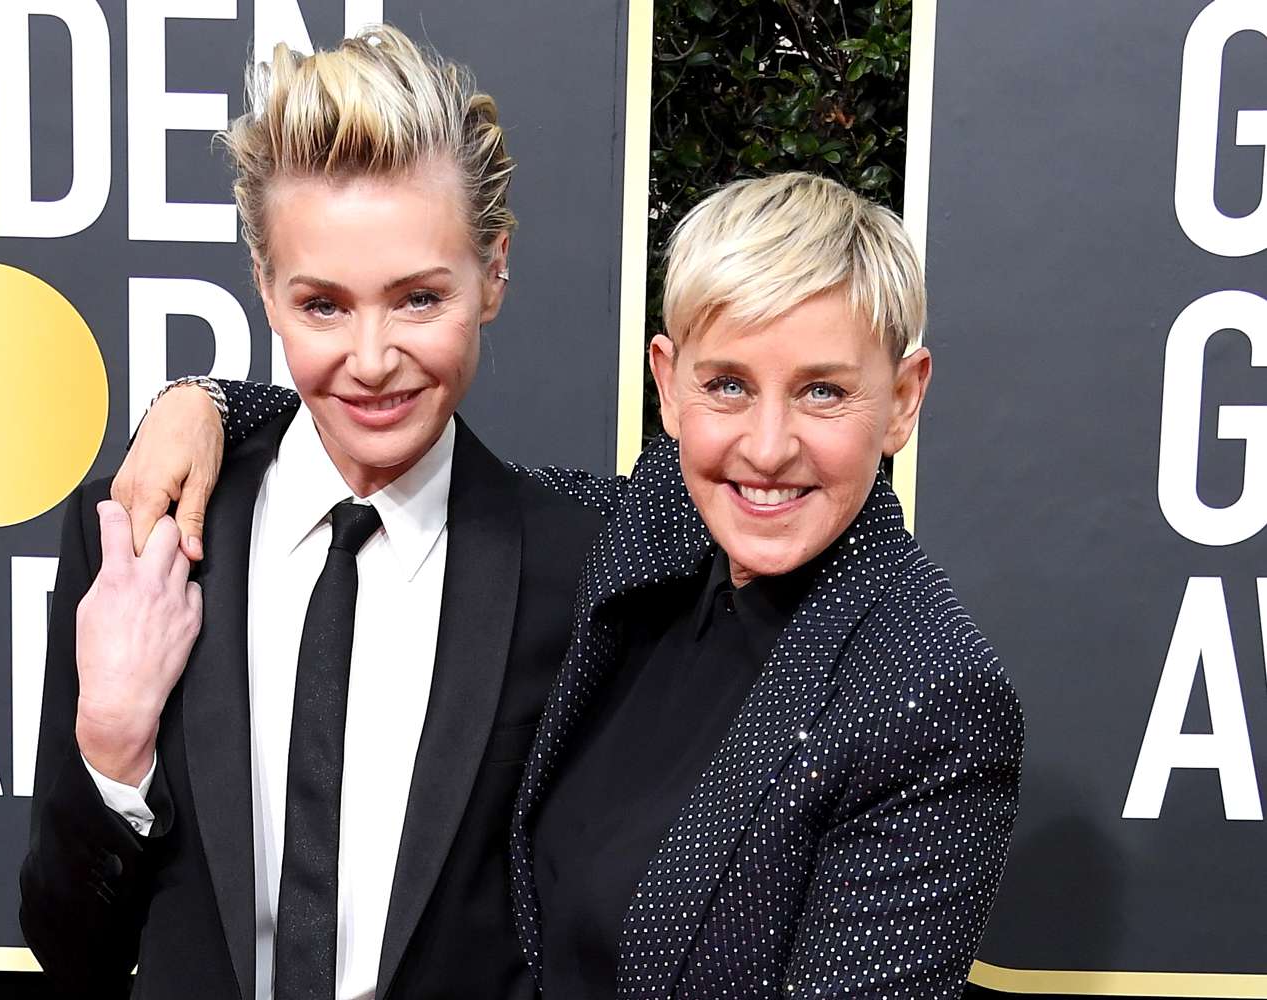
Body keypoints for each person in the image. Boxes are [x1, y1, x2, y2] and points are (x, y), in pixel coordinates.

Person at [117, 171, 1024, 998]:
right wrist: (204, 401)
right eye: (729, 386)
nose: (767, 446)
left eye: (824, 392)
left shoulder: (930, 694)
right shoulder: (658, 530)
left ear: (904, 398)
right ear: (670, 388)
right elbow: (410, 438)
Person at [19, 26, 601, 1000]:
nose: (372, 359)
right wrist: (111, 746)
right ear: (264, 286)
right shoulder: (136, 538)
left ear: (493, 273)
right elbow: (72, 949)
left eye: (418, 299)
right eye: (324, 305)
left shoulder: (577, 572)